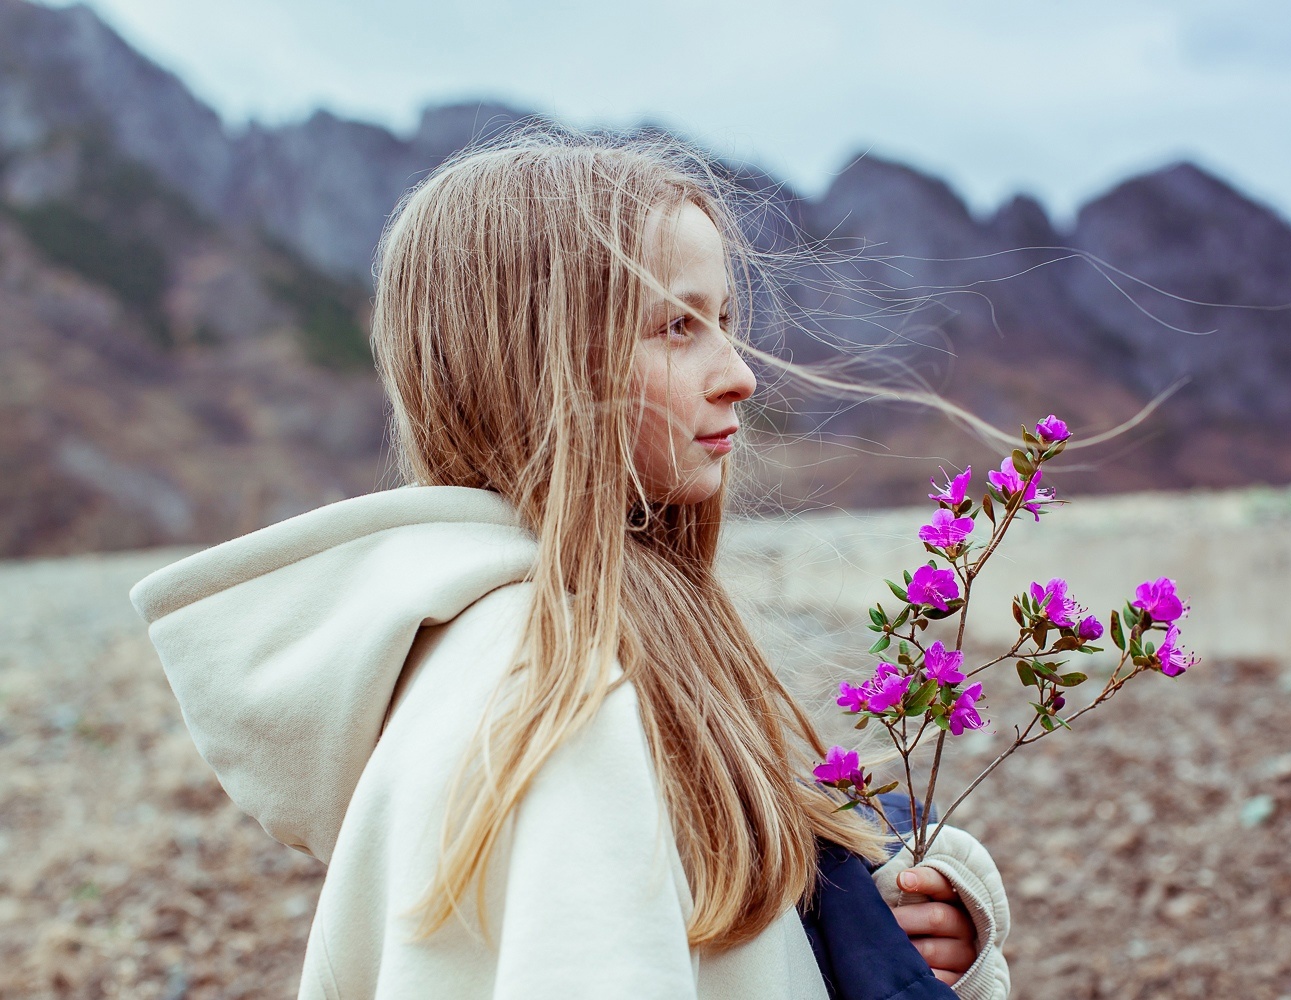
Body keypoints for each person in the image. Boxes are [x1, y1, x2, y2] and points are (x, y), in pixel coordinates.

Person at [129, 132, 1010, 1000]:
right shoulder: (556, 688)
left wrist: (888, 922)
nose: (739, 373)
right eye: (675, 325)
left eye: (725, 323)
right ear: (537, 361)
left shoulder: (566, 632)